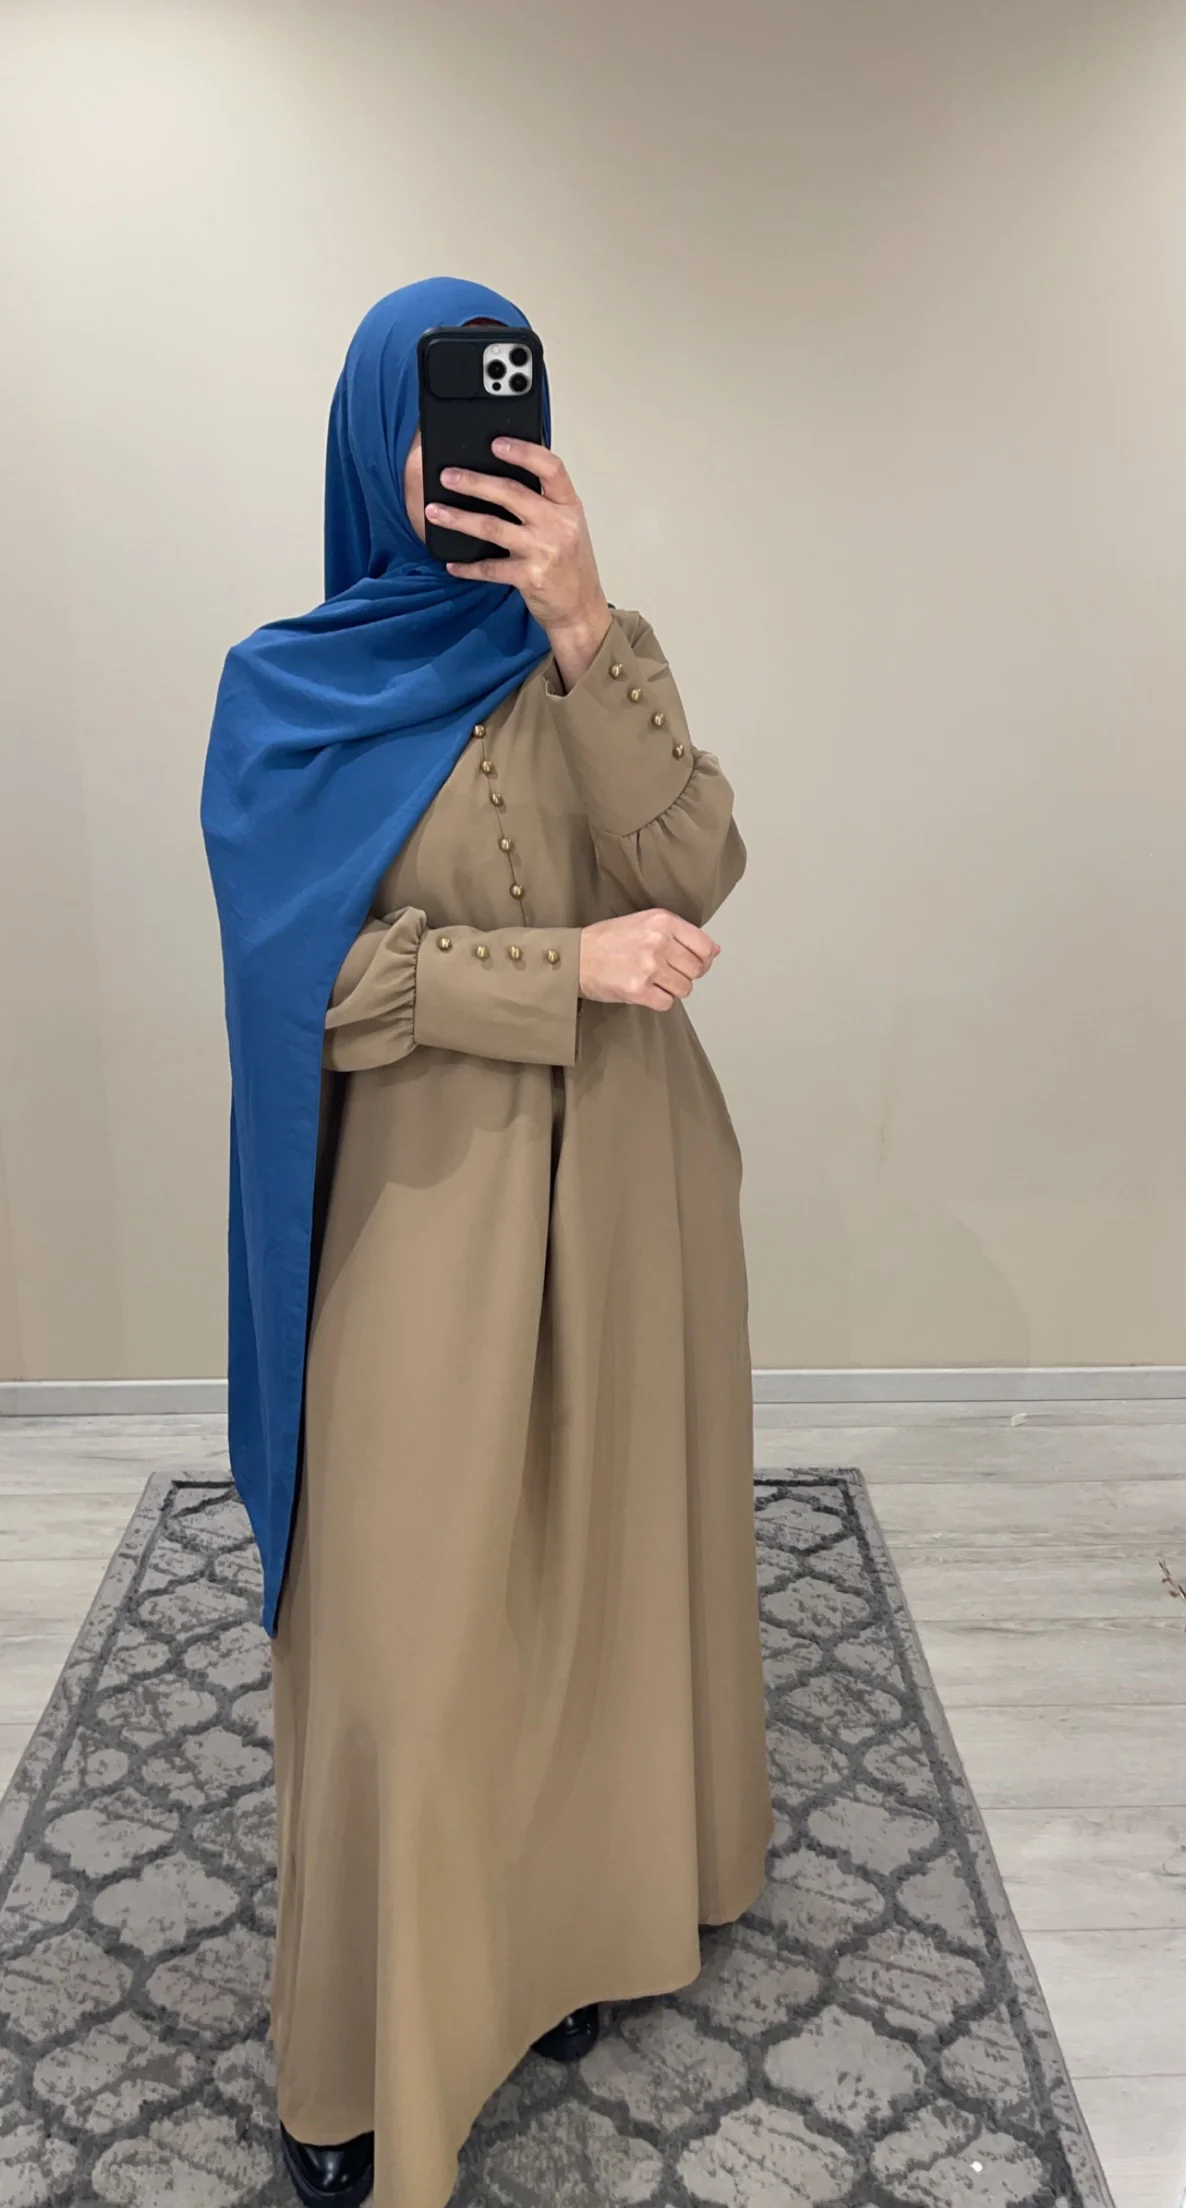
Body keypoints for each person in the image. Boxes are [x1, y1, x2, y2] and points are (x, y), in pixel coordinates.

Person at [202, 276, 771, 2208]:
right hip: (424, 1205)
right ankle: (356, 2056)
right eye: (440, 415)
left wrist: (587, 625)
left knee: (594, 1585)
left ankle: (564, 1936)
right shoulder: (284, 694)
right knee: (407, 1629)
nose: (474, 452)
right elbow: (307, 987)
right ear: (381, 441)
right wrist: (557, 968)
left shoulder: (583, 650)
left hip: (628, 1195)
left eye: (507, 409)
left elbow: (695, 864)